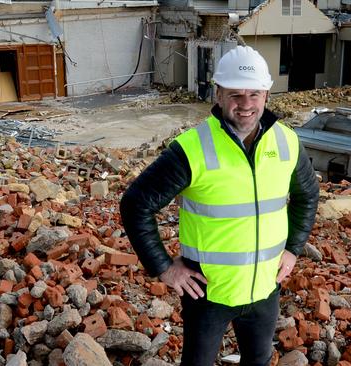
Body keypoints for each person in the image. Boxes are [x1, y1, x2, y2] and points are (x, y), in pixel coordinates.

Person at [120, 45, 319, 366]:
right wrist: (164, 268)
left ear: (266, 95)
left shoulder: (286, 141)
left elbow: (308, 195)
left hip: (265, 290)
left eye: (254, 94)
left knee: (259, 359)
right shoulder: (192, 148)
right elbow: (136, 204)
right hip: (208, 293)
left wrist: (294, 249)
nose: (246, 105)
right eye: (235, 95)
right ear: (218, 94)